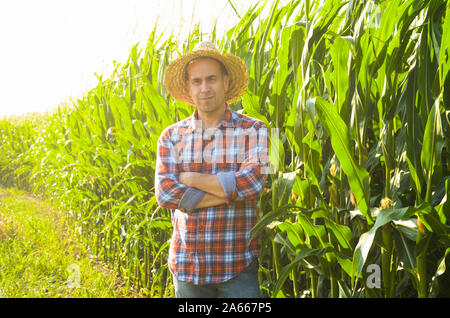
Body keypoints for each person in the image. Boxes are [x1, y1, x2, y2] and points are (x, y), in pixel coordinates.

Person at [155, 41, 269, 298]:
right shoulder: (171, 136)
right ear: (188, 87)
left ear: (226, 82)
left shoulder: (254, 130)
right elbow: (164, 194)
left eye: (211, 79)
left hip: (237, 266)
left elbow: (254, 184)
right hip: (188, 268)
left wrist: (192, 180)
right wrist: (228, 193)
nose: (204, 88)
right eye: (197, 81)